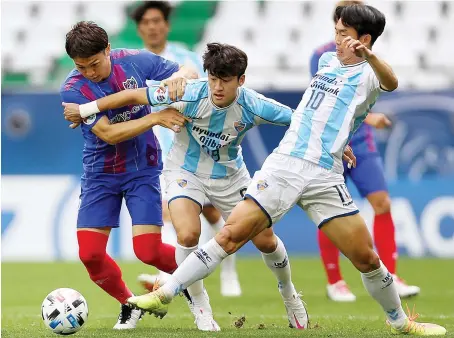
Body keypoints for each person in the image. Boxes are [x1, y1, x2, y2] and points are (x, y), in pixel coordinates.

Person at [125, 5, 447, 336]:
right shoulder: (326, 62)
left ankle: (399, 321)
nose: (335, 40)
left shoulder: (370, 75)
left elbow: (391, 82)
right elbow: (310, 114)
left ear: (364, 40)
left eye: (343, 35)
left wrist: (368, 57)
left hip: (325, 174)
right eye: (335, 32)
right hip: (285, 164)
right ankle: (165, 293)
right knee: (231, 235)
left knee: (366, 258)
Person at [64, 43, 361, 331]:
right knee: (187, 233)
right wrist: (87, 108)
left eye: (225, 80)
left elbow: (301, 122)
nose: (217, 87)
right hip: (184, 172)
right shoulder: (190, 94)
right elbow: (132, 96)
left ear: (240, 81)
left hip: (230, 177)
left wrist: (337, 145)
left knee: (266, 242)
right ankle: (202, 309)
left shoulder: (254, 104)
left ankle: (289, 294)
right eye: (213, 78)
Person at [59, 21, 197, 330]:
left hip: (141, 168)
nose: (89, 73)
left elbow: (187, 70)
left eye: (94, 64)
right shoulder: (72, 89)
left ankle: (195, 278)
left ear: (108, 49)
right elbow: (108, 134)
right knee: (91, 255)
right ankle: (129, 303)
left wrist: (178, 78)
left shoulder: (134, 60)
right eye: (81, 67)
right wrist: (156, 117)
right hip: (99, 174)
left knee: (147, 250)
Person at [309, 0, 420, 302]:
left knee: (382, 203)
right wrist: (372, 118)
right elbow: (326, 101)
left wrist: (369, 120)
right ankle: (335, 281)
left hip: (361, 143)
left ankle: (393, 276)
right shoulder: (323, 57)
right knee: (328, 212)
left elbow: (386, 84)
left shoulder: (370, 58)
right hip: (332, 144)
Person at [130, 0, 242, 299]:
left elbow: (210, 93)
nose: (152, 27)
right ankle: (165, 279)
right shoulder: (133, 63)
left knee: (214, 213)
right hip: (154, 151)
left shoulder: (185, 57)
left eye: (157, 21)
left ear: (166, 24)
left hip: (192, 145)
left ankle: (229, 272)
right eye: (146, 22)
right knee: (169, 213)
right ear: (139, 28)